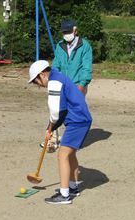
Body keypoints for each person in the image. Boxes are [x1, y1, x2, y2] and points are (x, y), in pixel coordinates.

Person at [28, 60, 92, 205]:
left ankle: (64, 195)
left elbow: (57, 111)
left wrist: (50, 128)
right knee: (70, 154)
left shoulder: (54, 82)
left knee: (62, 154)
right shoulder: (58, 76)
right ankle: (73, 187)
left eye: (36, 82)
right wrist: (50, 127)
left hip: (78, 120)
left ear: (42, 74)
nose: (38, 85)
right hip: (81, 119)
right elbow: (59, 111)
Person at [45, 19, 93, 152]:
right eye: (64, 32)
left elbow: (86, 67)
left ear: (75, 30)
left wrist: (82, 85)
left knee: (73, 113)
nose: (66, 34)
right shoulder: (60, 45)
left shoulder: (85, 46)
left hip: (77, 85)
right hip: (61, 84)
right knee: (56, 110)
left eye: (68, 31)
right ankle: (52, 140)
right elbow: (56, 64)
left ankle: (69, 142)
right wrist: (53, 80)